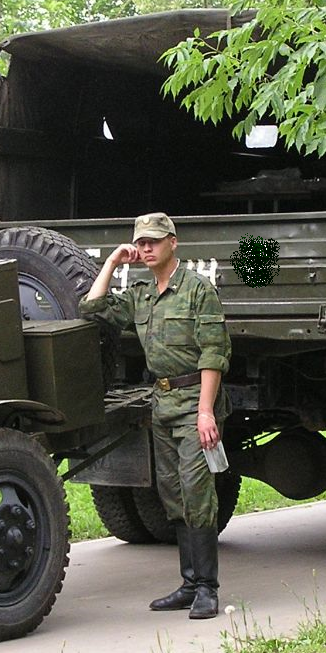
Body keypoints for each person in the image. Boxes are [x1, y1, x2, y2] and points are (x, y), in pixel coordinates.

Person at [79, 212, 232, 619]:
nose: (147, 248)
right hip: (162, 405)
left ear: (173, 243)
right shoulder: (142, 294)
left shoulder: (198, 290)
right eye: (141, 242)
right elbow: (92, 310)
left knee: (197, 494)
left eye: (154, 241)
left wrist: (205, 412)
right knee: (174, 495)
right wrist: (112, 263)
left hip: (194, 404)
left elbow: (214, 353)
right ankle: (188, 583)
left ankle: (207, 589)